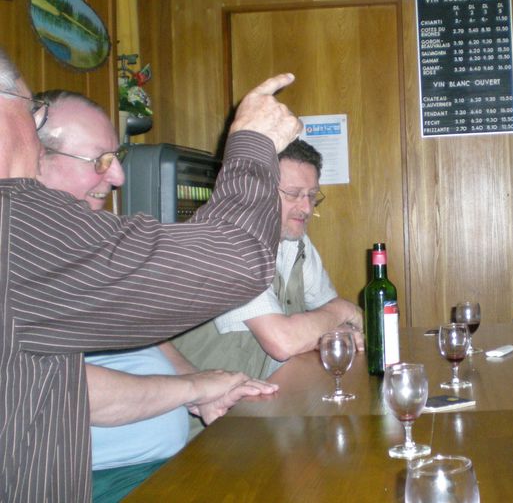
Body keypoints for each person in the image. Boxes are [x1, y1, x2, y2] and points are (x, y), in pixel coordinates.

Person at [0, 45, 303, 503]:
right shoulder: (21, 226)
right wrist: (252, 142)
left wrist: (193, 386)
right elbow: (236, 259)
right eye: (32, 110)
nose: (118, 177)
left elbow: (63, 374)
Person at [174, 139, 364, 381]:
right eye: (293, 194)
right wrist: (344, 310)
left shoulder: (294, 241)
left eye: (312, 195)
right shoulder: (230, 244)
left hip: (267, 390)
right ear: (258, 191)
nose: (306, 208)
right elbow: (282, 341)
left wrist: (333, 324)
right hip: (213, 401)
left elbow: (329, 313)